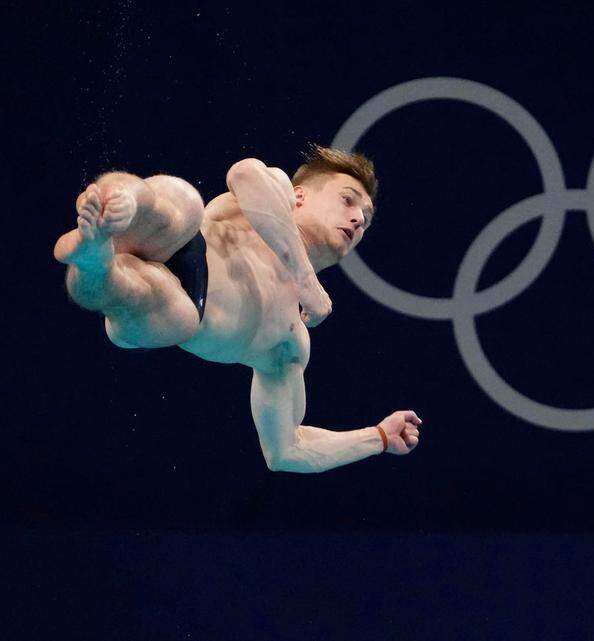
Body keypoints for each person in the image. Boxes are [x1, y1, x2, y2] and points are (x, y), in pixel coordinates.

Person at [53, 145, 422, 473]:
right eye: (348, 199)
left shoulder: (289, 341)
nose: (358, 219)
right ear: (299, 196)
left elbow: (287, 450)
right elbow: (243, 173)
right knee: (183, 202)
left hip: (167, 311)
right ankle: (114, 203)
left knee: (172, 313)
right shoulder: (273, 191)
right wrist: (306, 281)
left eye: (367, 218)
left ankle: (94, 256)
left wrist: (379, 438)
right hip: (180, 238)